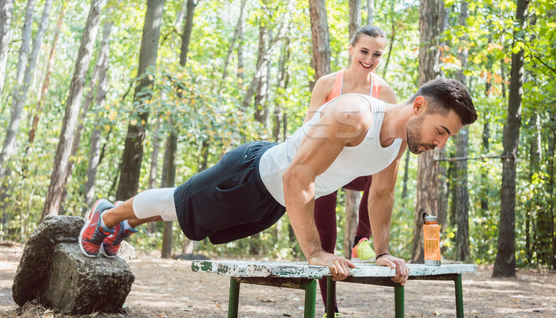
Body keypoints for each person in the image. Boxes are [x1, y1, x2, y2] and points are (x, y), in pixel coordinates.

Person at [79, 78, 477, 292]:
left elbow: (382, 194)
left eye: (446, 139)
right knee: (177, 204)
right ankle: (108, 215)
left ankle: (125, 223)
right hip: (251, 176)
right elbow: (297, 175)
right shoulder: (355, 116)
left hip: (275, 202)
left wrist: (384, 252)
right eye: (441, 131)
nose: (439, 144)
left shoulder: (396, 145)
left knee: (191, 221)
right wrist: (317, 253)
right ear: (420, 106)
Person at [305, 25, 396, 317]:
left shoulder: (385, 92)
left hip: (360, 168)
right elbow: (309, 131)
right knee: (325, 241)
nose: (369, 59)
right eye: (364, 51)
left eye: (377, 54)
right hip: (327, 166)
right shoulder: (328, 83)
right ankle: (330, 308)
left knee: (381, 167)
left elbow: (388, 143)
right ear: (351, 49)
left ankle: (361, 241)